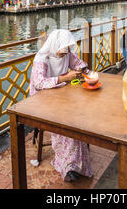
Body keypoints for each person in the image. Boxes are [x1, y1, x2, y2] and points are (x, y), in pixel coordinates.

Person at [29, 29, 93, 182]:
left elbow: (78, 63)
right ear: (55, 44)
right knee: (65, 122)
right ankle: (68, 165)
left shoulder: (67, 53)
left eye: (67, 48)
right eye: (64, 49)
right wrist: (64, 77)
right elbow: (38, 83)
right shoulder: (42, 58)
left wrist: (86, 72)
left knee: (78, 115)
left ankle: (77, 161)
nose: (66, 52)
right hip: (41, 99)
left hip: (60, 94)